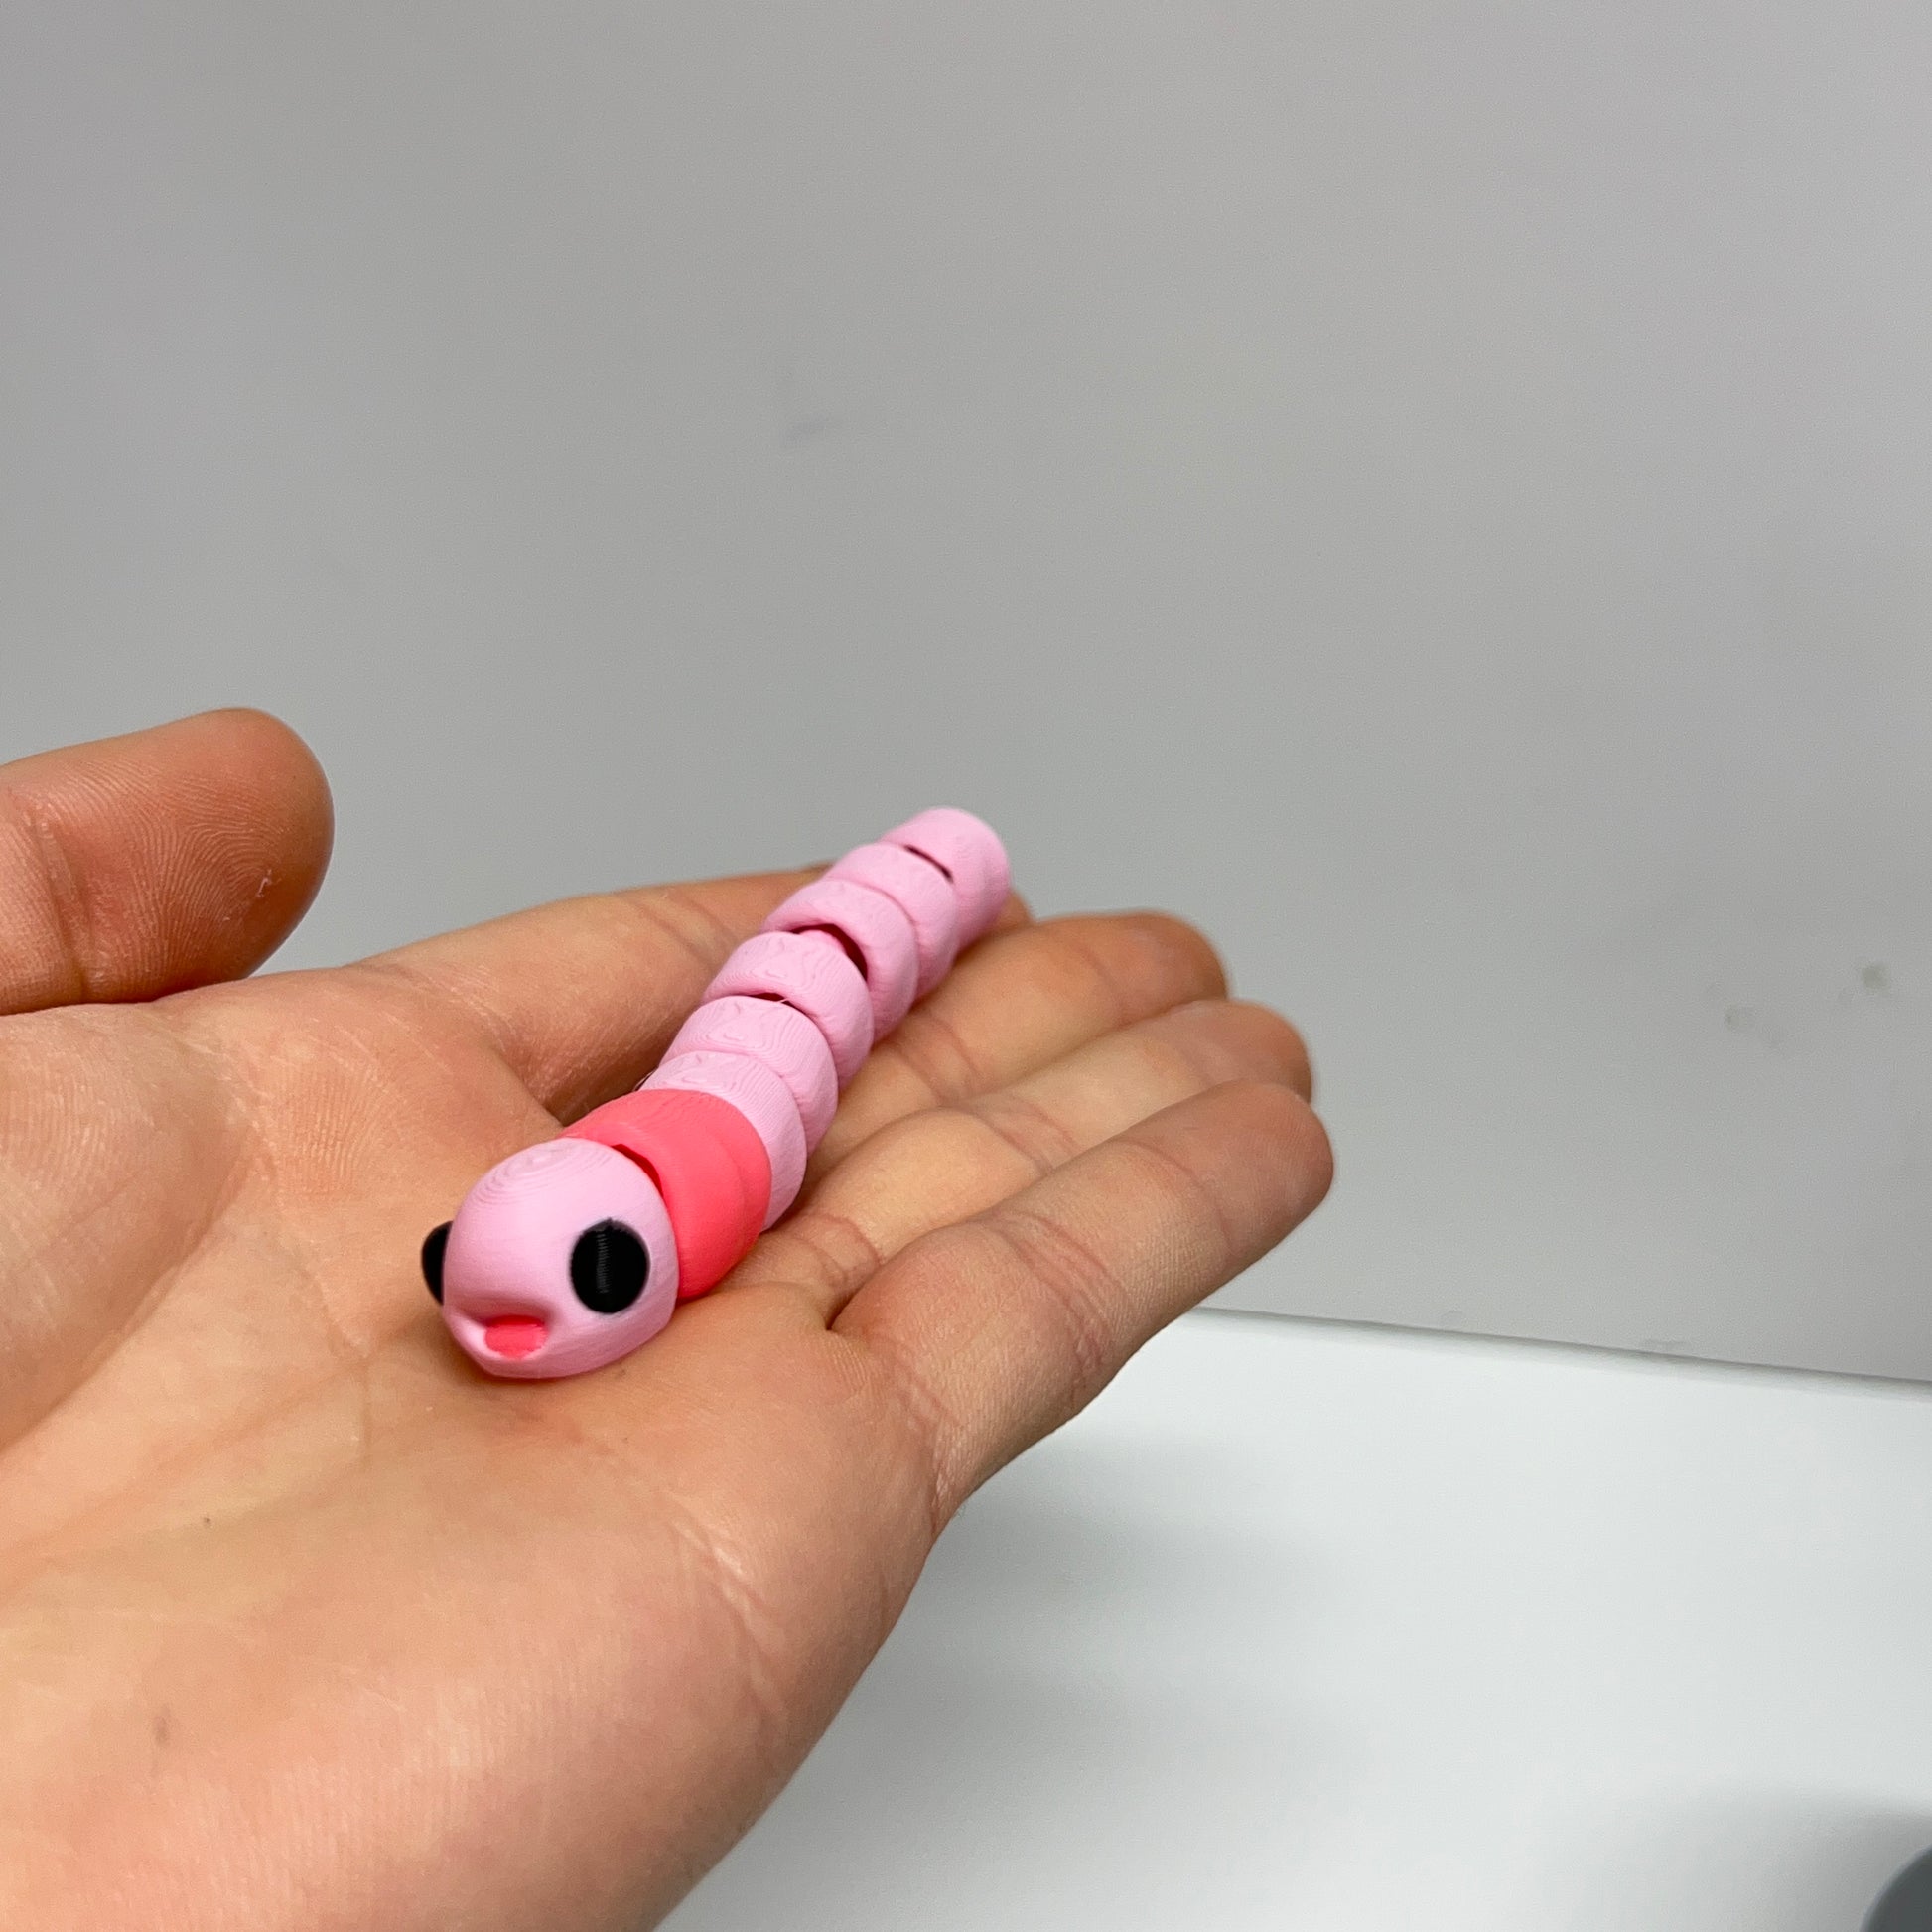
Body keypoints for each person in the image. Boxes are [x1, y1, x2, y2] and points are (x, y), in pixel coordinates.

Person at [0, 709, 1332, 1930]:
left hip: (736, 1093)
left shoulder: (712, 1142)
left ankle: (948, 862)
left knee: (835, 966)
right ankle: (944, 863)